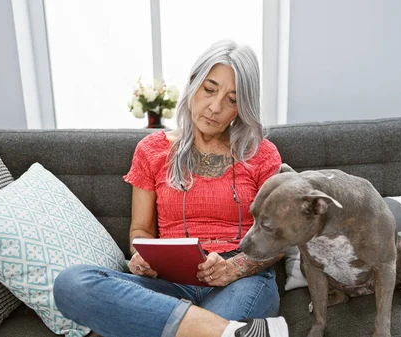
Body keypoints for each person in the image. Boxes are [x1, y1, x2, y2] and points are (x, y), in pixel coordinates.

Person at [54, 40, 289, 337]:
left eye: (232, 99)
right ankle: (236, 332)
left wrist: (234, 268)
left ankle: (182, 326)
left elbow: (279, 241)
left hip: (240, 278)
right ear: (192, 85)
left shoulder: (262, 154)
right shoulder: (151, 150)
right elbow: (140, 230)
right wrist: (142, 257)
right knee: (71, 284)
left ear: (242, 109)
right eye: (209, 89)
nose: (215, 107)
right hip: (167, 281)